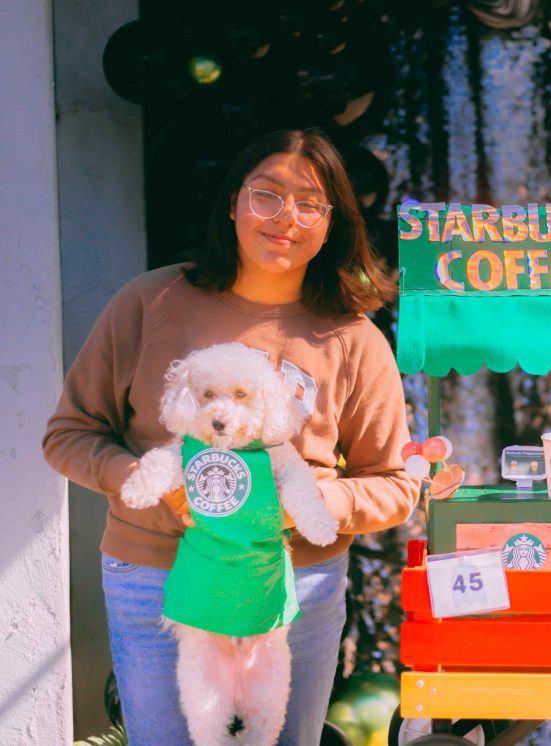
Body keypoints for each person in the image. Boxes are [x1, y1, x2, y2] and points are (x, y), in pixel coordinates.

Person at [43, 128, 419, 745]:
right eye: (267, 195)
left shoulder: (353, 338)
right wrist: (152, 485)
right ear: (233, 202)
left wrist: (315, 505)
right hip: (157, 578)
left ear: (333, 225)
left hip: (295, 585)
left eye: (310, 204)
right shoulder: (151, 301)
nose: (286, 219)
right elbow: (70, 435)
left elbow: (396, 483)